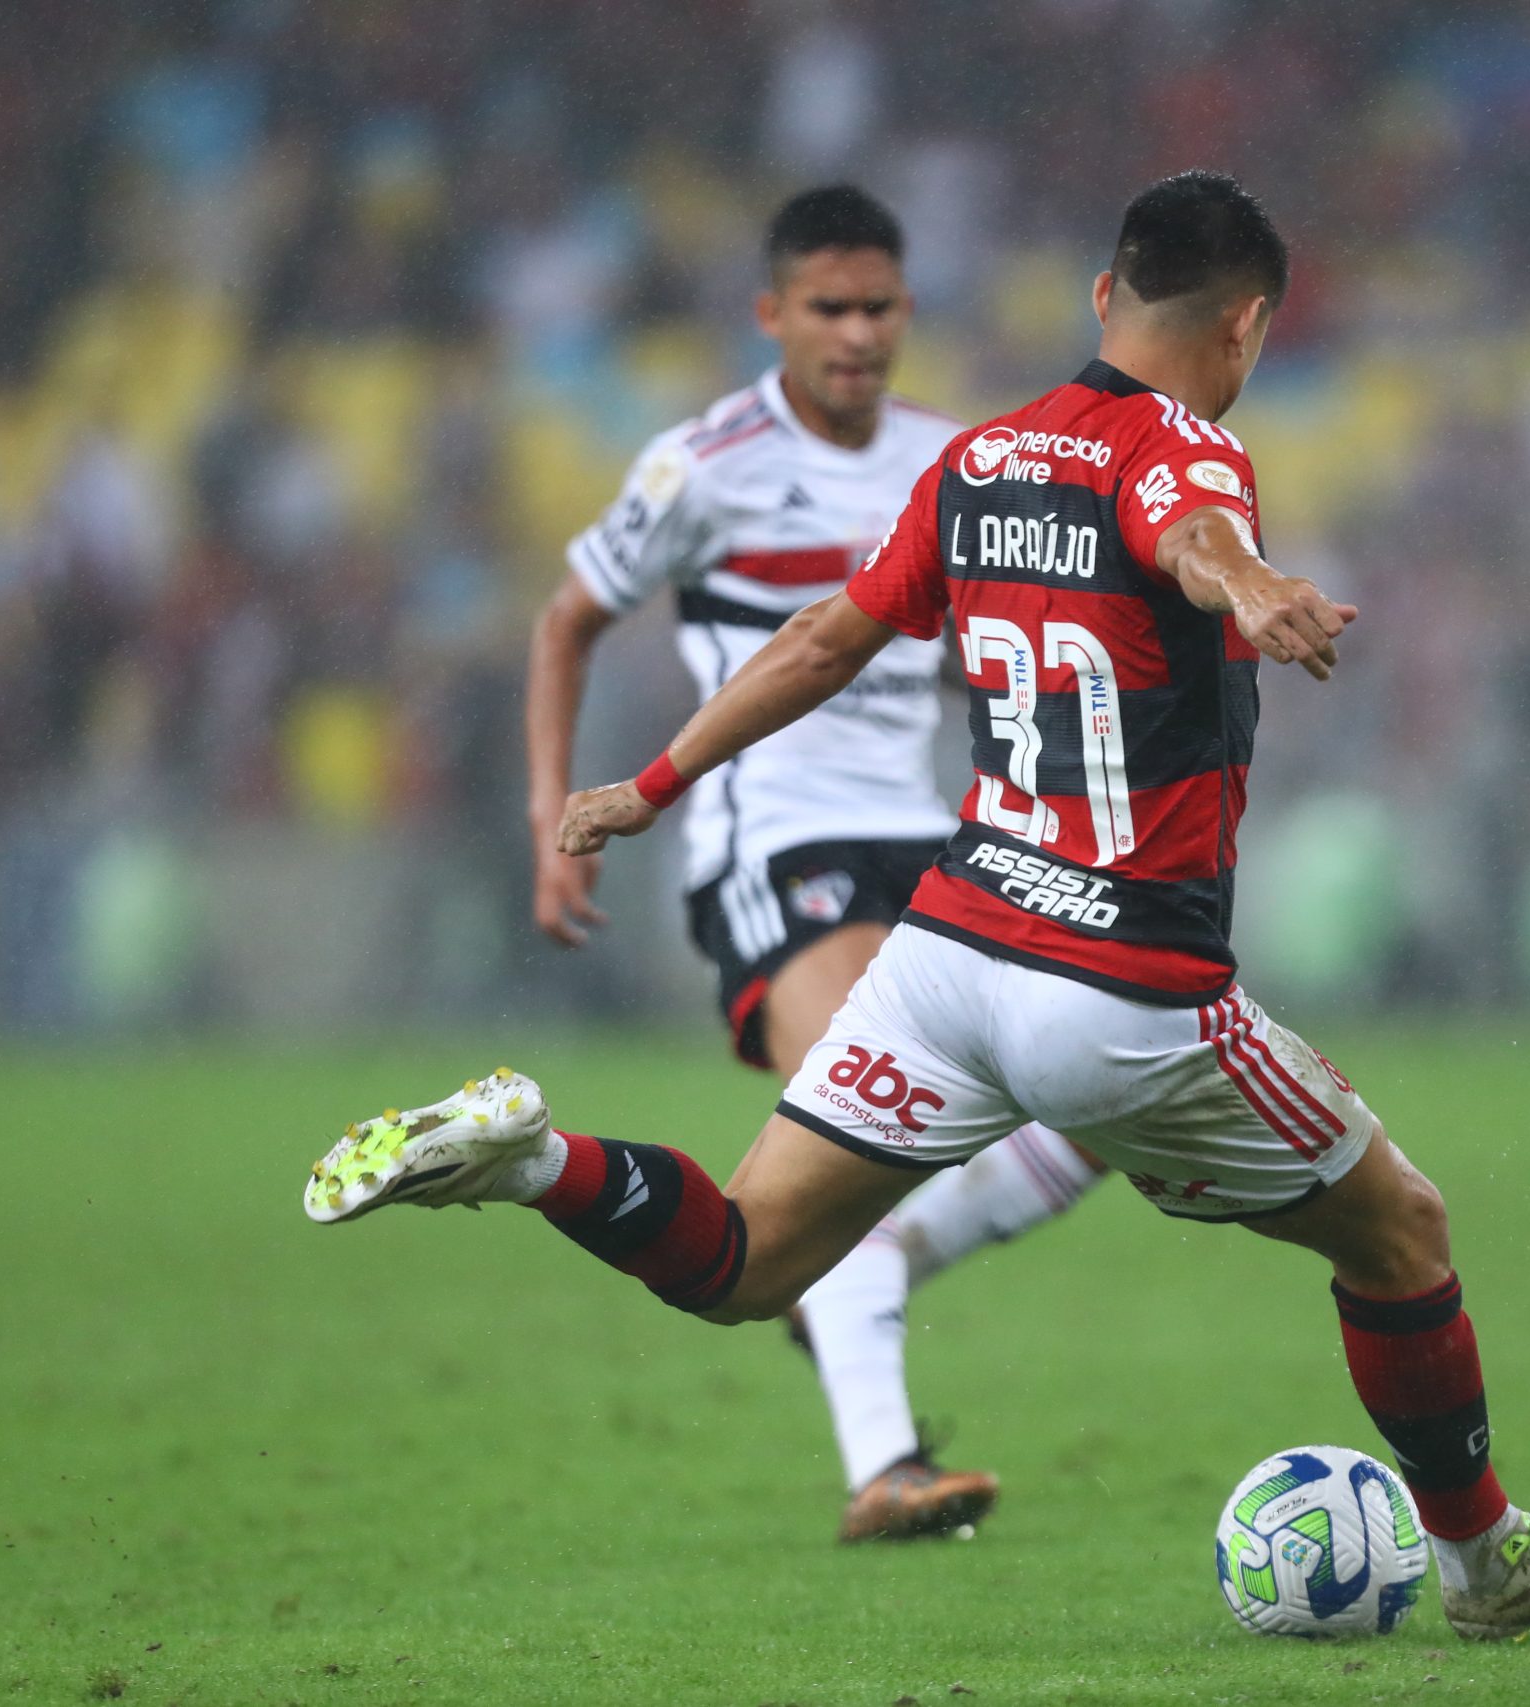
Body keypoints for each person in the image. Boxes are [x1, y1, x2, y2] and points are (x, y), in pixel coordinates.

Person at [307, 169, 1530, 1640]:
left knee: (744, 1262)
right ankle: (1483, 1565)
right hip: (1124, 995)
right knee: (1401, 1227)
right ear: (1249, 328)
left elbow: (829, 637)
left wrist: (650, 782)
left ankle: (534, 1161)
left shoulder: (979, 460)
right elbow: (1188, 527)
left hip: (948, 959)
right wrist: (1256, 588)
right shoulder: (1192, 451)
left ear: (1104, 298)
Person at [524, 183, 1103, 1542]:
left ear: (909, 311)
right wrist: (552, 816)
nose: (855, 333)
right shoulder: (700, 465)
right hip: (769, 838)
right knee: (865, 1110)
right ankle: (883, 1463)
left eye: (879, 307)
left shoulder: (957, 461)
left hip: (933, 833)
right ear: (770, 314)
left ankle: (857, 1268)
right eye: (827, 308)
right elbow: (566, 623)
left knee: (1091, 1088)